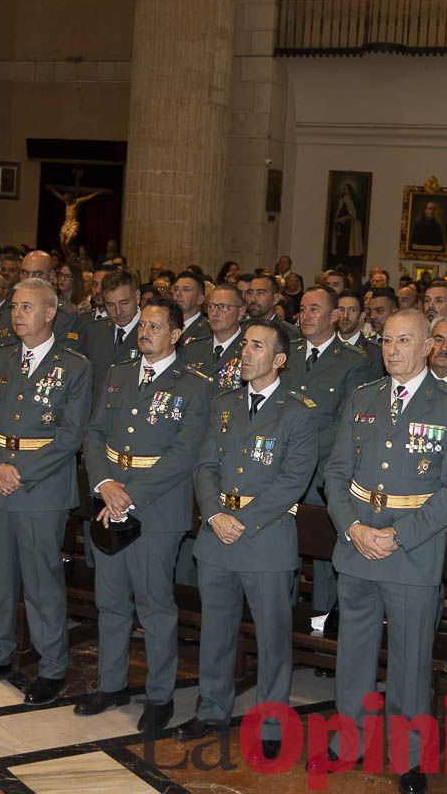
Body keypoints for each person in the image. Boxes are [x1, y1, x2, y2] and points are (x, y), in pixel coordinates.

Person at [314, 309, 447, 794]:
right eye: (386, 340)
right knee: (355, 653)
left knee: (410, 660)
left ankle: (410, 756)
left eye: (404, 340)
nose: (392, 349)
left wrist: (399, 536)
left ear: (427, 346)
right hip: (357, 544)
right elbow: (336, 472)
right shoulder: (362, 397)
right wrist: (352, 527)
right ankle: (349, 740)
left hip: (412, 551)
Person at [172, 321, 317, 761]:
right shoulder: (224, 404)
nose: (245, 353)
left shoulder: (297, 412)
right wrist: (215, 514)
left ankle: (271, 720)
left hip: (265, 536)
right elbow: (205, 466)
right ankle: (212, 708)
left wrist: (242, 520)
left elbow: (293, 480)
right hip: (218, 533)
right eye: (244, 346)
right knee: (216, 630)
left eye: (257, 346)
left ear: (279, 360)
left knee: (272, 637)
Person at [77, 299, 211, 731]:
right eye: (143, 326)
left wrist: (129, 494)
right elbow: (94, 434)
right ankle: (111, 683)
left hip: (156, 508)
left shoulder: (194, 385)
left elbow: (184, 455)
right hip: (110, 500)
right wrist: (105, 484)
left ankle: (159, 695)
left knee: (154, 605)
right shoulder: (118, 373)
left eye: (156, 327)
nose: (145, 332)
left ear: (177, 335)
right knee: (111, 599)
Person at [0, 278, 92, 700]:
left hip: (42, 489)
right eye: (14, 307)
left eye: (27, 307)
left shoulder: (75, 366)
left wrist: (18, 472)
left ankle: (52, 667)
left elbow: (70, 436)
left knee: (41, 581)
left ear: (50, 313)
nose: (17, 314)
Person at [281, 286, 372, 623]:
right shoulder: (286, 352)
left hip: (321, 473)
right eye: (302, 309)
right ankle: (281, 622)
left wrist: (297, 449)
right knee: (282, 551)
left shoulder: (354, 361)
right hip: (279, 470)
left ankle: (320, 626)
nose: (305, 315)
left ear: (334, 316)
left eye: (314, 309)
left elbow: (346, 421)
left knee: (323, 559)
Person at [83, 270, 140, 398]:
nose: (118, 312)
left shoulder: (153, 331)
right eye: (110, 305)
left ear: (137, 297)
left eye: (124, 303)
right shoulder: (95, 330)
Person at [179, 282, 246, 391]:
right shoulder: (192, 348)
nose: (215, 313)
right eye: (211, 306)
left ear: (241, 312)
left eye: (223, 307)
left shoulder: (248, 350)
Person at [244, 273, 301, 340]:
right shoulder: (239, 328)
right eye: (250, 293)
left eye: (260, 293)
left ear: (275, 299)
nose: (253, 299)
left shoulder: (289, 333)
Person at [171, 271, 209, 346]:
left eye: (186, 289)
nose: (178, 293)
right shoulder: (166, 325)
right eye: (176, 289)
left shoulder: (208, 331)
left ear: (200, 299)